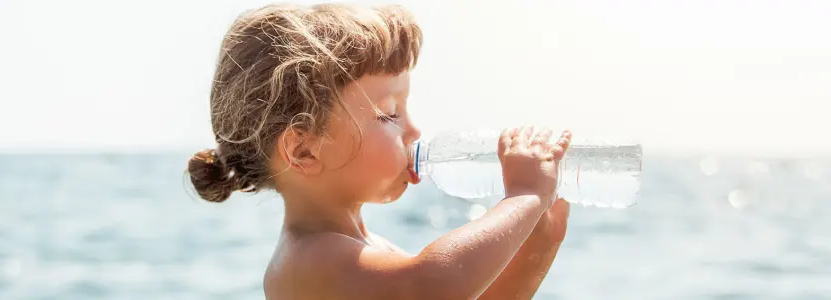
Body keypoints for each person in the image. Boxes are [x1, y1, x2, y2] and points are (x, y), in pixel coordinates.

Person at [187, 3, 573, 299]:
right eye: (389, 115)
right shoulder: (308, 262)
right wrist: (523, 197)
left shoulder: (367, 249)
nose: (415, 130)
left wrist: (538, 243)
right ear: (304, 150)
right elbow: (434, 286)